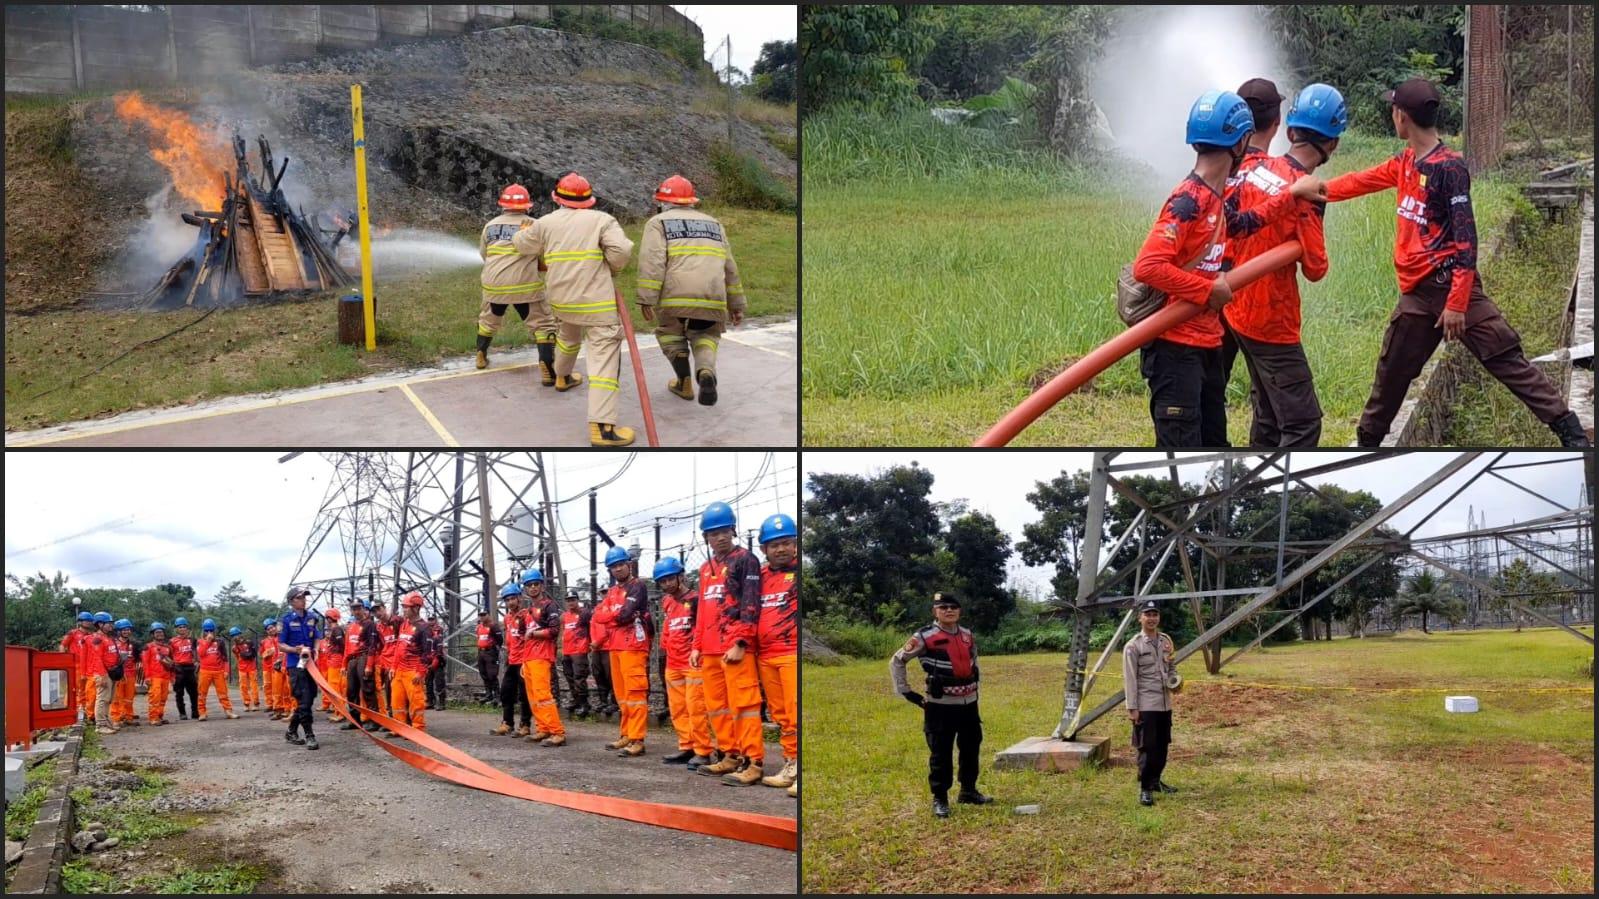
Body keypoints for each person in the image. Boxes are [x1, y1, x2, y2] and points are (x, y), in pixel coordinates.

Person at [1316, 78, 1590, 448]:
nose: (1391, 116)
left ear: (1402, 116)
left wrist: (1457, 304)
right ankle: (1366, 444)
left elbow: (1466, 241)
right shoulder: (1406, 161)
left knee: (1505, 357)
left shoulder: (1449, 169)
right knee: (1391, 375)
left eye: (1392, 110)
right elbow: (1358, 182)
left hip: (1454, 287)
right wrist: (1316, 191)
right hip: (1416, 294)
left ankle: (1571, 432)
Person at [1133, 89, 1306, 447]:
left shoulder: (1217, 196)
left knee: (1215, 447)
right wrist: (1206, 290)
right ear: (1242, 140)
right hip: (1175, 350)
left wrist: (1291, 196)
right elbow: (1148, 266)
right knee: (1183, 448)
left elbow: (1244, 222)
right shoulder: (1188, 201)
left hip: (1207, 345)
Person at [1221, 83, 1342, 447]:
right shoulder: (1305, 192)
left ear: (1289, 132)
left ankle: (1249, 481)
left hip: (1236, 311)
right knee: (1303, 424)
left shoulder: (1257, 166)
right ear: (1334, 143)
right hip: (1273, 322)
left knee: (1269, 416)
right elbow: (1316, 268)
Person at [511, 171, 638, 446]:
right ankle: (603, 429)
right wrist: (612, 267)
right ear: (589, 200)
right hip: (596, 303)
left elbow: (521, 245)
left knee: (568, 338)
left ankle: (563, 376)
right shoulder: (603, 220)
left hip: (561, 300)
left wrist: (523, 232)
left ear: (557, 197)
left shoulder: (545, 223)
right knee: (603, 360)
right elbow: (622, 252)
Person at [635, 175, 747, 405]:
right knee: (706, 336)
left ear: (663, 202)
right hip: (713, 297)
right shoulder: (714, 224)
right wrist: (736, 304)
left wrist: (646, 298)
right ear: (691, 201)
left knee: (670, 334)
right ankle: (706, 371)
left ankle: (684, 382)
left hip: (675, 297)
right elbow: (730, 267)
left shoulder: (658, 223)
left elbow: (652, 261)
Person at [890, 593, 992, 818]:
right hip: (940, 705)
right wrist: (906, 692)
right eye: (943, 607)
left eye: (953, 607)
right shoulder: (925, 636)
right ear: (935, 611)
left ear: (959, 611)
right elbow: (898, 661)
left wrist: (974, 688)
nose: (949, 610)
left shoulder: (967, 635)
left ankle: (968, 791)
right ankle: (940, 798)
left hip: (968, 704)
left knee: (971, 748)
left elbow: (974, 660)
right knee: (941, 753)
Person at [691, 501, 767, 785]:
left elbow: (750, 602)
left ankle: (753, 761)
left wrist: (741, 641)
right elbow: (701, 610)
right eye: (713, 533)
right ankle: (729, 755)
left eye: (724, 531)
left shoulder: (746, 559)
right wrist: (697, 645)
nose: (720, 537)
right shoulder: (703, 569)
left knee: (744, 705)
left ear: (733, 531)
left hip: (734, 647)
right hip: (709, 648)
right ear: (706, 537)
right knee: (717, 707)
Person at [475, 182, 558, 378]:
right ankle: (547, 370)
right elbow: (544, 258)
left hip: (494, 285)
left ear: (503, 204)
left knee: (488, 319)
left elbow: (484, 254)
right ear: (527, 205)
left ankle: (480, 354)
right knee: (543, 325)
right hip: (525, 287)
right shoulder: (534, 225)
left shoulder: (490, 225)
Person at [592, 546, 653, 757]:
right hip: (615, 645)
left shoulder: (638, 587)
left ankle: (637, 739)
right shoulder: (612, 592)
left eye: (620, 565)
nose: (617, 569)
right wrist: (613, 613)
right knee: (622, 695)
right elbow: (598, 615)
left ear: (628, 564)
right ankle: (626, 733)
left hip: (633, 646)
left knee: (635, 693)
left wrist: (612, 614)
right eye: (613, 567)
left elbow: (626, 614)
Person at [756, 514, 800, 793]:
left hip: (791, 653)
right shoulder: (757, 578)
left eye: (786, 543)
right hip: (765, 655)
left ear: (795, 545)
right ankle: (790, 762)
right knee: (781, 714)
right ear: (764, 549)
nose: (781, 549)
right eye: (774, 545)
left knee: (796, 712)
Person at [1122, 599, 1179, 806]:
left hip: (1165, 703)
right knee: (1148, 747)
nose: (1152, 618)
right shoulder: (1133, 646)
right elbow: (1130, 679)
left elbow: (1171, 666)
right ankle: (1145, 788)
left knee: (1163, 746)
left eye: (1155, 614)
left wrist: (1175, 681)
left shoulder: (1165, 641)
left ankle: (1155, 781)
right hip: (1146, 705)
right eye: (1148, 614)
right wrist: (1133, 708)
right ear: (1140, 618)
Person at [654, 557, 710, 768]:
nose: (667, 584)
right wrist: (665, 647)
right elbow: (667, 627)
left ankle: (703, 750)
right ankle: (686, 746)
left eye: (670, 579)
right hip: (673, 663)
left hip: (692, 663)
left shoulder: (696, 599)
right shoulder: (667, 602)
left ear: (680, 576)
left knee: (695, 707)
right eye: (663, 581)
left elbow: (700, 628)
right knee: (677, 707)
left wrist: (696, 651)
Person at [520, 570, 566, 746]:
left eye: (535, 584)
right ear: (525, 588)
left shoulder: (549, 606)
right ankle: (542, 728)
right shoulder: (528, 610)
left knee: (543, 695)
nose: (533, 588)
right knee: (533, 696)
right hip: (530, 656)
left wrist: (534, 633)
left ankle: (557, 732)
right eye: (529, 585)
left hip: (542, 656)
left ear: (541, 585)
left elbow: (554, 631)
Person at [278, 587, 323, 750]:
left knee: (309, 699)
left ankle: (291, 731)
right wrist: (294, 650)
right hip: (295, 665)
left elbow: (317, 637)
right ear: (292, 601)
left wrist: (316, 649)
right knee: (303, 700)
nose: (303, 600)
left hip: (310, 664)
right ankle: (310, 735)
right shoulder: (286, 620)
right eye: (299, 597)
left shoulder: (312, 617)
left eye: (304, 597)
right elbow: (281, 645)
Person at [491, 582, 535, 737]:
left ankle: (525, 725)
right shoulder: (508, 618)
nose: (510, 602)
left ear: (519, 598)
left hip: (524, 661)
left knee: (524, 695)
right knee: (506, 692)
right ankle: (507, 723)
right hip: (512, 660)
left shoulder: (526, 615)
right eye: (507, 599)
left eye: (512, 598)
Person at [390, 591, 436, 731]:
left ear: (416, 608)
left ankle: (418, 728)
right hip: (399, 670)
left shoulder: (424, 628)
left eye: (406, 607)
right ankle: (400, 728)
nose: (404, 610)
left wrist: (420, 673)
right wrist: (393, 667)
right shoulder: (405, 624)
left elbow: (428, 653)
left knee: (416, 701)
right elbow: (399, 647)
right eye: (403, 606)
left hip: (413, 671)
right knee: (396, 701)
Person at [339, 600, 384, 733]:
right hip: (352, 660)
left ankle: (373, 721)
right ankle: (354, 720)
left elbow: (372, 646)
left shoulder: (370, 625)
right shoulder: (351, 627)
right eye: (354, 609)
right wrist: (344, 664)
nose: (356, 611)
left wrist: (369, 665)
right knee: (351, 691)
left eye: (359, 608)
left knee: (367, 689)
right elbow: (347, 647)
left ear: (364, 609)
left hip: (364, 657)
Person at [195, 618, 238, 721]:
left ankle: (228, 711)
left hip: (219, 671)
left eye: (211, 630)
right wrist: (208, 641)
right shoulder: (200, 641)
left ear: (214, 630)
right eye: (206, 630)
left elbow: (225, 658)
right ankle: (202, 713)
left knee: (223, 693)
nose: (209, 633)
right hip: (205, 671)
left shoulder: (220, 642)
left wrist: (226, 670)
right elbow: (201, 654)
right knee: (202, 693)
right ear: (203, 631)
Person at [558, 592, 593, 719]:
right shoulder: (564, 616)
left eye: (573, 600)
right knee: (569, 676)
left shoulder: (585, 613)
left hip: (580, 650)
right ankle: (576, 700)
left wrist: (591, 643)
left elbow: (592, 628)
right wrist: (560, 647)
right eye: (568, 600)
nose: (570, 602)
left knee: (579, 676)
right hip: (567, 651)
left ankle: (584, 704)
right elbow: (562, 632)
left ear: (577, 600)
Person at [84, 612, 119, 733]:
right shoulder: (97, 639)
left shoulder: (107, 638)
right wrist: (101, 675)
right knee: (102, 698)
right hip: (103, 672)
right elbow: (97, 657)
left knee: (109, 698)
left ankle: (105, 720)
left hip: (111, 672)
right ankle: (100, 725)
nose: (111, 626)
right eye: (108, 623)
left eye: (111, 623)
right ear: (100, 624)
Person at [588, 593, 618, 720]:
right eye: (603, 592)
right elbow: (592, 627)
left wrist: (596, 642)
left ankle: (615, 702)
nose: (605, 594)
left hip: (607, 647)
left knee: (610, 675)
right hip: (597, 648)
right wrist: (594, 642)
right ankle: (603, 701)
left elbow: (609, 629)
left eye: (607, 592)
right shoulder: (597, 609)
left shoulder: (614, 609)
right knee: (598, 674)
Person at [62, 611, 95, 721]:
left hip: (89, 666)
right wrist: (65, 661)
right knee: (75, 688)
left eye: (90, 621)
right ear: (80, 621)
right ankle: (71, 710)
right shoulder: (73, 633)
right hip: (76, 665)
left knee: (87, 689)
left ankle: (84, 711)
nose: (89, 623)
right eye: (86, 620)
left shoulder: (91, 636)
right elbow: (63, 646)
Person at [142, 623, 174, 725]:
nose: (160, 634)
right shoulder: (148, 647)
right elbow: (145, 663)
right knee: (155, 698)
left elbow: (172, 663)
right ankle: (153, 718)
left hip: (165, 677)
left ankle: (160, 716)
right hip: (154, 677)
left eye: (161, 632)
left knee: (163, 698)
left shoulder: (167, 647)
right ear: (153, 634)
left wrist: (172, 677)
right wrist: (147, 677)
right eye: (157, 632)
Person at [111, 619, 141, 728]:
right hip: (118, 674)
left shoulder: (134, 644)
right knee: (117, 697)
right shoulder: (113, 643)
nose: (126, 631)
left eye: (128, 629)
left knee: (129, 697)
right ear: (119, 631)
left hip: (131, 674)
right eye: (124, 630)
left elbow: (137, 659)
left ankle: (128, 717)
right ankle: (116, 718)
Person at [169, 617, 199, 721]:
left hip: (190, 668)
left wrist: (197, 662)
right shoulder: (172, 641)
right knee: (179, 692)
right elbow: (170, 656)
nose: (182, 629)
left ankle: (195, 712)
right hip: (178, 669)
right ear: (176, 629)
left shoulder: (192, 640)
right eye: (180, 627)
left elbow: (196, 653)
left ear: (187, 628)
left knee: (194, 692)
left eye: (184, 627)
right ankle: (182, 713)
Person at [320, 609, 347, 719]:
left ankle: (340, 713)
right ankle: (338, 712)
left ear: (329, 618)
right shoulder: (336, 629)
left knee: (335, 687)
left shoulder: (336, 629)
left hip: (336, 661)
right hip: (334, 660)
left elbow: (342, 645)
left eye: (326, 618)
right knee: (334, 686)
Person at [474, 609, 503, 705]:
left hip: (491, 653)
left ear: (488, 615)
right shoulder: (479, 627)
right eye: (480, 615)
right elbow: (478, 638)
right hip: (481, 653)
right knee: (483, 673)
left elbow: (500, 639)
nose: (482, 617)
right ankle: (488, 695)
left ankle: (497, 696)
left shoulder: (493, 626)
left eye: (484, 615)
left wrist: (495, 649)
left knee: (492, 674)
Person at [230, 627, 260, 711]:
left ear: (240, 634)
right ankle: (246, 703)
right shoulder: (234, 648)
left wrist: (248, 655)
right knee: (243, 686)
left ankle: (256, 703)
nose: (235, 637)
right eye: (233, 636)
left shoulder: (248, 643)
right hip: (242, 669)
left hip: (251, 667)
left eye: (236, 635)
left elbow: (254, 654)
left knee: (253, 685)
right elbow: (237, 657)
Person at [425, 614, 448, 711]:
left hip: (438, 659)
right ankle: (430, 701)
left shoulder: (438, 633)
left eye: (432, 619)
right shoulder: (425, 634)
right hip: (427, 659)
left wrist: (435, 661)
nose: (431, 621)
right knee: (428, 682)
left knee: (439, 681)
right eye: (429, 620)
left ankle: (441, 703)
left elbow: (439, 649)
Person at [259, 619, 281, 718]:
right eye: (268, 629)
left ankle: (279, 706)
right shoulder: (264, 641)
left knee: (278, 687)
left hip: (278, 666)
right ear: (266, 631)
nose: (271, 630)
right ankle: (270, 704)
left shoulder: (281, 638)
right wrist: (268, 652)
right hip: (267, 667)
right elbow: (261, 654)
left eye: (272, 627)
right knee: (267, 686)